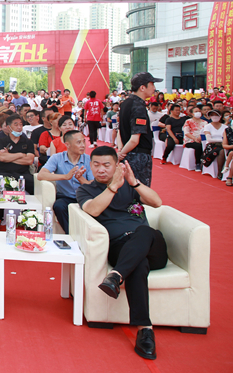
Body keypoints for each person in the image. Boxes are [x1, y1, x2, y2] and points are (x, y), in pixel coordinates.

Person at [76, 146, 165, 360]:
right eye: (96, 165)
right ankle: (145, 330)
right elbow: (93, 210)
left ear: (117, 165)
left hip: (152, 247)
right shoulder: (86, 190)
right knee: (138, 265)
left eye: (107, 165)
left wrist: (134, 183)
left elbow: (157, 202)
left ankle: (115, 275)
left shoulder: (131, 186)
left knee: (145, 231)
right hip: (120, 247)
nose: (101, 169)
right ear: (90, 166)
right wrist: (112, 187)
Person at [37, 130, 94, 232]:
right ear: (67, 145)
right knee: (59, 206)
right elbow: (41, 175)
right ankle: (71, 234)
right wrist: (65, 177)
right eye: (78, 142)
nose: (83, 145)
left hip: (84, 196)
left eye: (84, 141)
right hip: (65, 196)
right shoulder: (57, 158)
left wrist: (80, 178)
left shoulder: (88, 159)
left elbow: (92, 185)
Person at [118, 72, 162, 186]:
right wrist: (121, 154)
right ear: (142, 87)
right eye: (152, 84)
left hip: (128, 154)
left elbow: (119, 130)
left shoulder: (125, 103)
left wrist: (121, 150)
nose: (154, 88)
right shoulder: (138, 107)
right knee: (139, 189)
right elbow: (135, 139)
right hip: (138, 156)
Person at [0, 114, 36, 194]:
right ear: (8, 127)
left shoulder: (28, 142)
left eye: (21, 124)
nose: (19, 127)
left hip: (24, 174)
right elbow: (2, 158)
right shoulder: (1, 141)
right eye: (16, 125)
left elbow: (29, 160)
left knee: (33, 186)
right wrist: (21, 155)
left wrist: (8, 157)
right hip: (6, 173)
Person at [202, 110, 227, 174]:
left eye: (216, 115)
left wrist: (223, 142)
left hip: (223, 145)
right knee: (221, 151)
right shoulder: (207, 126)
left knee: (224, 150)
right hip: (211, 146)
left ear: (220, 116)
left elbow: (227, 138)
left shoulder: (225, 127)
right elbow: (209, 139)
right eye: (212, 115)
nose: (214, 117)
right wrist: (222, 141)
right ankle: (220, 172)